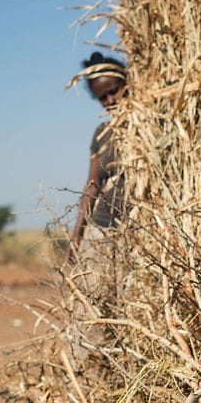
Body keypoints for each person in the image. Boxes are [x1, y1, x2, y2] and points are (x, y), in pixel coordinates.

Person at [69, 52, 129, 259]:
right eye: (102, 97)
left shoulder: (147, 126)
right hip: (101, 227)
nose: (110, 100)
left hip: (139, 230)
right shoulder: (102, 132)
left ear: (126, 83)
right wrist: (78, 234)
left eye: (114, 91)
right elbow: (92, 183)